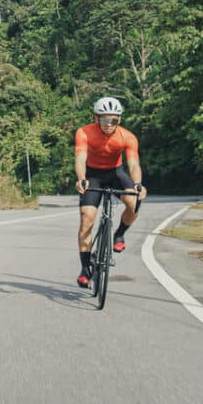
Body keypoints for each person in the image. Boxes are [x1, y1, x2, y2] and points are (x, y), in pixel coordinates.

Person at [74, 96, 146, 288]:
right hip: (93, 175)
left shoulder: (128, 137)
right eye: (105, 119)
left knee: (134, 203)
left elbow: (133, 163)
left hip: (116, 173)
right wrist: (81, 178)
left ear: (119, 120)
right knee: (86, 218)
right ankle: (85, 269)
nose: (109, 124)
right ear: (96, 118)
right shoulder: (84, 132)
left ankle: (119, 234)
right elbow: (80, 158)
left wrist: (138, 184)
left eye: (113, 120)